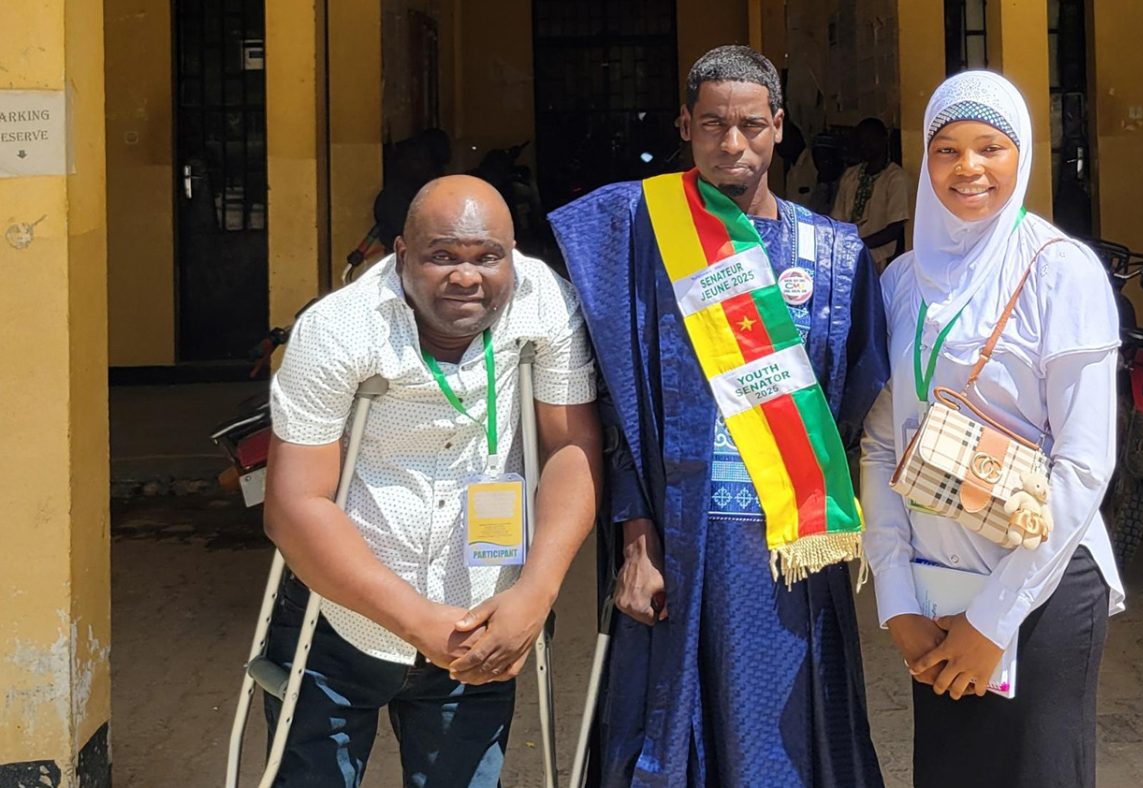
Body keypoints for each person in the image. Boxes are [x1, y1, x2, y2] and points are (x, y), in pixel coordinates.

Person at [548, 45, 889, 787]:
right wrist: (637, 538)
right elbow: (617, 402)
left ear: (778, 127)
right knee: (677, 736)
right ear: (684, 125)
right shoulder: (641, 234)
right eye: (712, 126)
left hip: (792, 548)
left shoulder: (833, 254)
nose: (731, 144)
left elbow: (861, 400)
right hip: (680, 540)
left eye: (749, 126)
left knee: (793, 741)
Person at [263, 175, 602, 786]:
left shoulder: (546, 305)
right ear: (400, 256)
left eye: (486, 257)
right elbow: (295, 505)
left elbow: (569, 448)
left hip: (482, 618)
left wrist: (535, 594)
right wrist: (420, 623)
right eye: (442, 255)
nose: (466, 276)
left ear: (512, 254)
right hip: (341, 615)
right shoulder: (339, 328)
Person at [860, 71, 1124, 787]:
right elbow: (882, 442)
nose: (967, 168)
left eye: (990, 147)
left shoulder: (1060, 273)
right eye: (946, 150)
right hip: (936, 595)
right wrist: (898, 601)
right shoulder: (903, 281)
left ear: (1023, 156)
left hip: (1038, 594)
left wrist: (992, 622)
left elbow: (1084, 465)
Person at [832, 117, 911, 272]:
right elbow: (837, 219)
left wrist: (857, 245)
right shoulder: (850, 175)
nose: (864, 145)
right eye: (861, 140)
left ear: (883, 140)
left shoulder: (895, 178)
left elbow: (894, 229)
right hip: (846, 258)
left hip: (879, 260)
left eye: (870, 140)